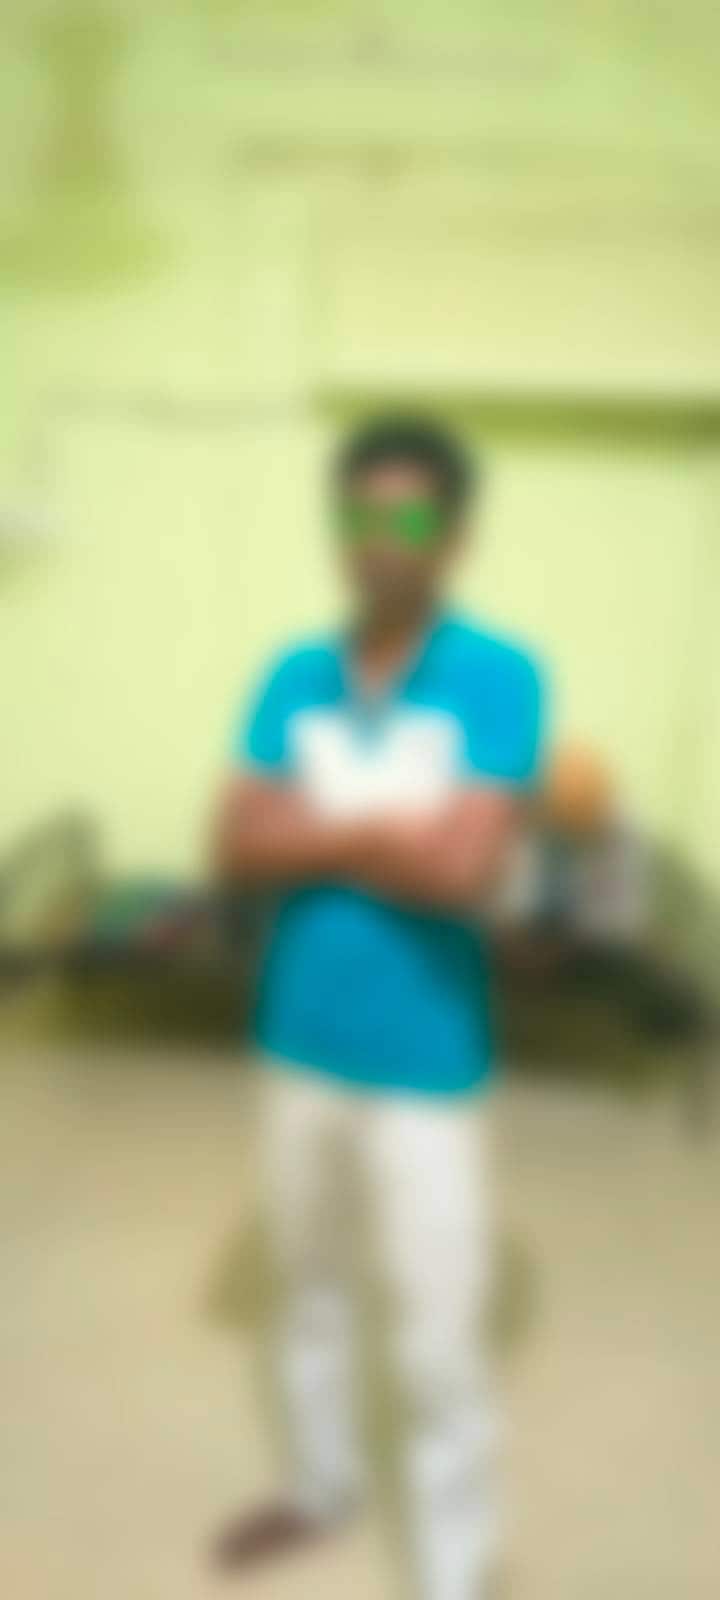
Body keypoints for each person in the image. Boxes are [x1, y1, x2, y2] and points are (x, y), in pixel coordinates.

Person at [210, 415, 546, 1600]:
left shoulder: (499, 674)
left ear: (451, 537)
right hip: (298, 1038)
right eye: (356, 513)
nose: (376, 538)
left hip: (427, 1060)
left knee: (436, 1335)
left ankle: (454, 1571)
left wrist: (311, 826)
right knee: (306, 1288)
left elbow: (468, 869)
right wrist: (388, 830)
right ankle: (322, 1487)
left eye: (404, 515)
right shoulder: (290, 674)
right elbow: (231, 845)